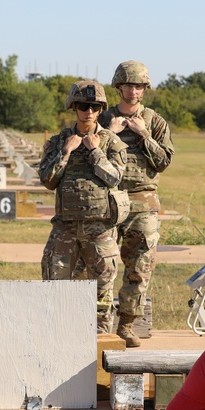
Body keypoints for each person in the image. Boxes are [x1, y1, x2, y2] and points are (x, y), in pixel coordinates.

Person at [38, 81, 128, 333]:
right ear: (73, 107)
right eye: (82, 106)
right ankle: (58, 336)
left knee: (101, 292)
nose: (88, 112)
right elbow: (47, 180)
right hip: (65, 229)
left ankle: (100, 346)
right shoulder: (59, 142)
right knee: (55, 286)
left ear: (101, 109)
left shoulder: (111, 142)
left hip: (99, 229)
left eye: (94, 106)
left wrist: (95, 152)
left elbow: (115, 177)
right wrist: (65, 153)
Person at [98, 61, 174, 347]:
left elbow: (163, 162)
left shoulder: (154, 122)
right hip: (106, 199)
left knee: (139, 266)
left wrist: (144, 135)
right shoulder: (102, 119)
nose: (133, 91)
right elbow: (87, 154)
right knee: (102, 266)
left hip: (143, 201)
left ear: (145, 89)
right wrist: (111, 134)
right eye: (128, 85)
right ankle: (100, 326)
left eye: (138, 86)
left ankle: (127, 324)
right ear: (118, 87)